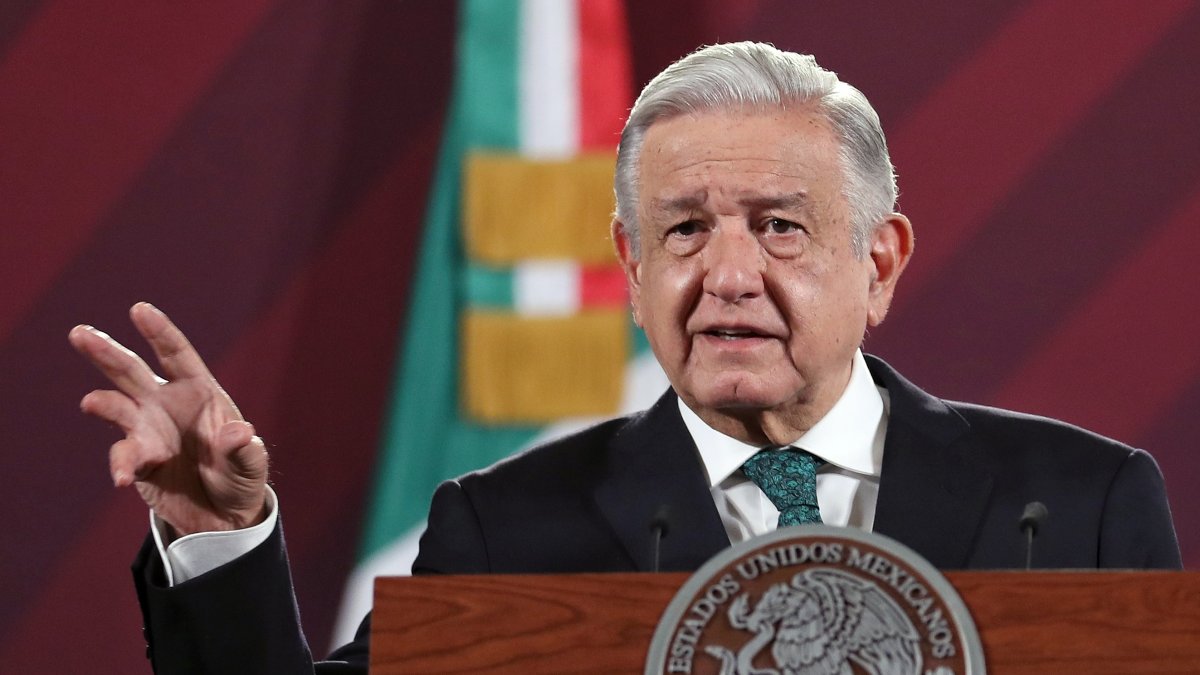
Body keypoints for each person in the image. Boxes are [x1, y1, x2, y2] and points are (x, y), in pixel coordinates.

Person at [70, 42, 1181, 674]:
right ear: (632, 266)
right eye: (685, 230)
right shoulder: (506, 530)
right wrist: (221, 543)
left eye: (780, 226)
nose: (729, 272)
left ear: (879, 261)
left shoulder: (1078, 506)